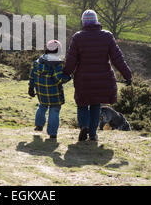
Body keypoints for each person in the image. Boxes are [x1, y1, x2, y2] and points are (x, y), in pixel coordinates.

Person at [63, 10, 132, 142]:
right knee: (95, 105)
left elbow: (71, 60)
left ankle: (84, 126)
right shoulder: (107, 36)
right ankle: (93, 133)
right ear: (96, 21)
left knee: (82, 104)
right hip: (103, 79)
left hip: (83, 80)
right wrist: (127, 75)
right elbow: (118, 59)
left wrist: (65, 74)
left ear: (84, 22)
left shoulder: (78, 37)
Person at [28, 40, 71, 139]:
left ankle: (39, 125)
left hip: (41, 92)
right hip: (54, 93)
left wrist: (31, 87)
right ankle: (52, 133)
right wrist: (68, 77)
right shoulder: (57, 64)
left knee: (42, 106)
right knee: (54, 110)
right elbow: (58, 79)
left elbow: (32, 75)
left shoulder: (38, 61)